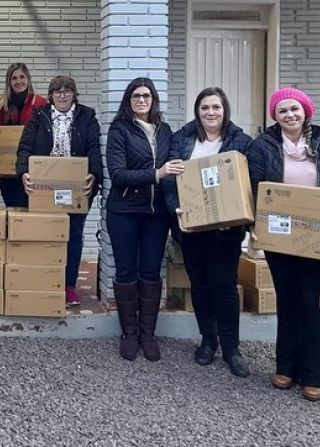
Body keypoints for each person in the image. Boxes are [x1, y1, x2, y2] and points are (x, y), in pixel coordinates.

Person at [246, 87, 320, 401]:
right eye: (282, 111)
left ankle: (314, 373)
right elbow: (253, 187)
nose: (289, 115)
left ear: (305, 110)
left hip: (315, 234)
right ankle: (286, 367)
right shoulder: (262, 145)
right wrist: (253, 225)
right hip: (278, 232)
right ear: (274, 116)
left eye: (294, 109)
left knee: (307, 299)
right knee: (286, 298)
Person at [162, 87, 252, 377]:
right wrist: (176, 208)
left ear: (224, 110)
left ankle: (231, 348)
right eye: (205, 108)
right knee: (199, 284)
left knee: (224, 286)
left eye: (216, 107)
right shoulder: (181, 139)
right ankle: (208, 340)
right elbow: (169, 180)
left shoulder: (241, 142)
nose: (210, 112)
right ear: (197, 111)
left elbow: (250, 181)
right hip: (191, 228)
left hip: (225, 231)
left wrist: (241, 216)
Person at [106, 77, 182, 362]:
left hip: (156, 213)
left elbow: (177, 164)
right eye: (136, 96)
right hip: (124, 211)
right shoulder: (119, 130)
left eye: (146, 96)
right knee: (126, 271)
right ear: (128, 100)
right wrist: (158, 174)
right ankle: (129, 333)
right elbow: (118, 174)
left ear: (153, 100)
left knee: (150, 271)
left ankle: (147, 334)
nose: (141, 100)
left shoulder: (165, 131)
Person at [16, 75, 102, 306]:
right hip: (45, 186)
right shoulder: (40, 115)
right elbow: (25, 147)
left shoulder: (87, 116)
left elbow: (94, 148)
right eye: (57, 91)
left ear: (74, 94)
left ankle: (68, 285)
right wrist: (23, 171)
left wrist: (94, 174)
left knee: (73, 234)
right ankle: (46, 281)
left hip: (77, 187)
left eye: (67, 90)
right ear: (51, 95)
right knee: (46, 233)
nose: (62, 95)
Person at [0, 63, 47, 207]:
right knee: (12, 209)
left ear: (28, 79)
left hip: (31, 167)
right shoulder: (1, 104)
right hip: (6, 169)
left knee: (30, 210)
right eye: (14, 78)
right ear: (9, 82)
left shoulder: (41, 103)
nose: (18, 81)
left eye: (22, 77)